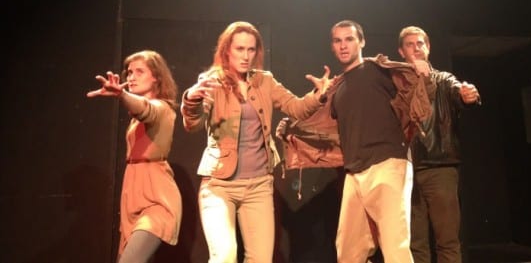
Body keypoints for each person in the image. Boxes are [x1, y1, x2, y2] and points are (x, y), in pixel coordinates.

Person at [180, 20, 331, 263]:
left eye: (251, 49)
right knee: (224, 256)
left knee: (260, 259)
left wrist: (318, 95)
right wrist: (191, 100)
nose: (246, 56)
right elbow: (192, 124)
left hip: (258, 185)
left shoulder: (264, 80)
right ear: (227, 50)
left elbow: (295, 107)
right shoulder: (212, 81)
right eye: (240, 49)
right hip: (219, 186)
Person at [320, 20, 433, 263]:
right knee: (348, 251)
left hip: (388, 162)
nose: (343, 45)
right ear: (332, 46)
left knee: (395, 247)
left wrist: (423, 74)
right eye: (337, 41)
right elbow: (324, 130)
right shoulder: (337, 89)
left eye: (349, 39)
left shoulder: (376, 69)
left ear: (361, 42)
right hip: (355, 172)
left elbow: (414, 89)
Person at [86, 50, 182, 263]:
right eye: (129, 72)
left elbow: (146, 108)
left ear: (156, 76)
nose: (131, 77)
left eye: (140, 72)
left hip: (157, 198)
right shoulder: (134, 119)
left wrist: (121, 95)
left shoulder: (162, 107)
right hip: (132, 196)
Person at [397, 26, 481, 263]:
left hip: (439, 167)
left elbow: (458, 91)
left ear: (429, 48)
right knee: (415, 244)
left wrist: (468, 94)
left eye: (420, 44)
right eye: (410, 45)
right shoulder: (397, 85)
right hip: (407, 172)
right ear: (401, 52)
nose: (416, 49)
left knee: (447, 241)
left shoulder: (443, 79)